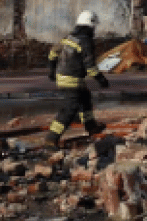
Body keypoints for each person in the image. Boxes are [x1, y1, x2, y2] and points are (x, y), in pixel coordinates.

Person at [44, 10, 109, 147]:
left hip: (65, 78)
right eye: (94, 27)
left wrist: (51, 70)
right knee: (70, 109)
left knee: (85, 97)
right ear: (91, 26)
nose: (94, 30)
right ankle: (51, 138)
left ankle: (91, 126)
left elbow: (52, 53)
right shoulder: (86, 42)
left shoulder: (68, 38)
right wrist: (102, 80)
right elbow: (90, 67)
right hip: (71, 80)